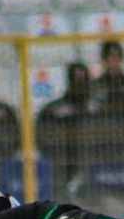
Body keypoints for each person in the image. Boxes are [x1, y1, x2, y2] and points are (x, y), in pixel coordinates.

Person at [36, 62, 96, 197]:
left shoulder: (98, 108)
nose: (79, 83)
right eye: (76, 79)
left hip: (95, 164)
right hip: (63, 163)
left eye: (82, 79)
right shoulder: (53, 109)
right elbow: (40, 135)